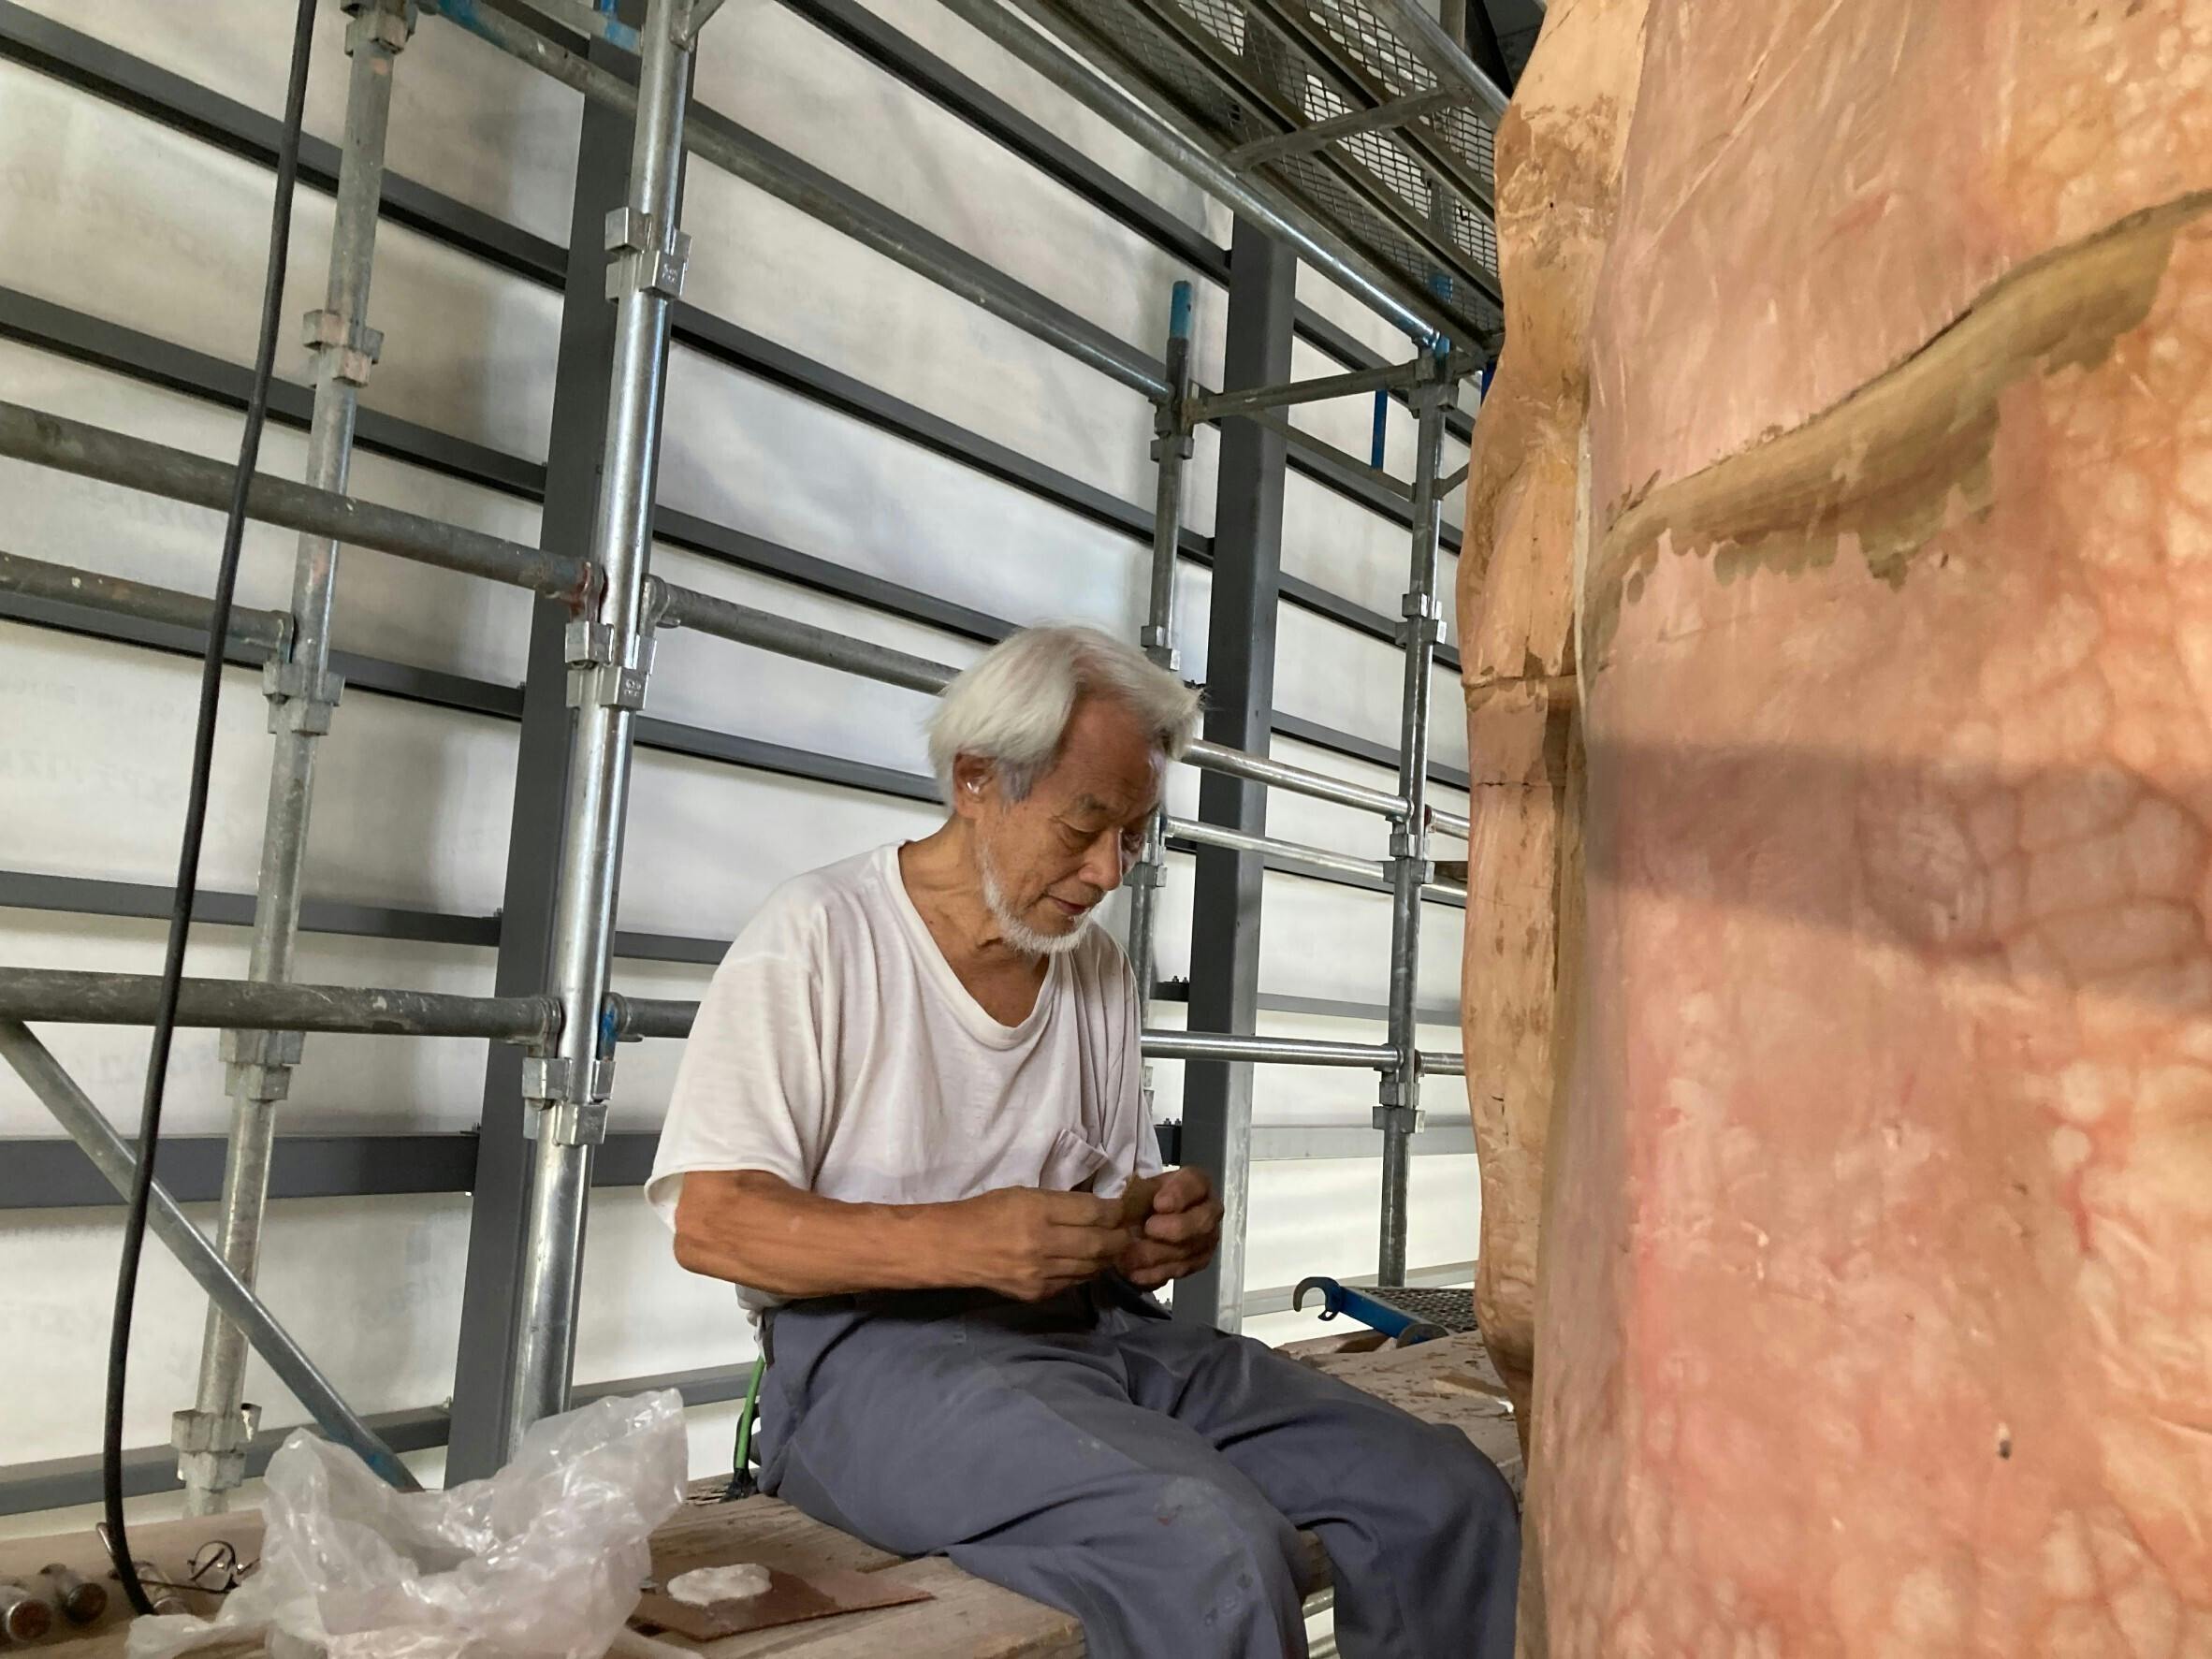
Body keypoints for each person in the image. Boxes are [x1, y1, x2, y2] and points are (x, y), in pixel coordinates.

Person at [648, 624, 1519, 1658]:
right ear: (976, 779)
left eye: (1135, 835)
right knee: (1209, 1553)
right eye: (1085, 825)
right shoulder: (820, 934)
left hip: (1099, 1335)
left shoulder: (1094, 966)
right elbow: (715, 1224)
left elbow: (1118, 1197)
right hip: (869, 1367)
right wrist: (962, 1243)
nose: (1110, 869)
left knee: (1441, 1494)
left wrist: (1160, 1228)